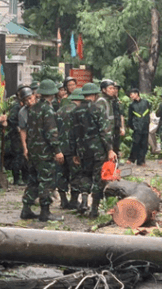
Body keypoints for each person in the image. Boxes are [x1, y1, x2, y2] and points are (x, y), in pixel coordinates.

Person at [70, 82, 116, 218]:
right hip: (98, 149)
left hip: (82, 150)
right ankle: (94, 209)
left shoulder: (75, 111)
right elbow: (105, 131)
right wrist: (110, 149)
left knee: (85, 175)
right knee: (98, 178)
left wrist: (74, 152)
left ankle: (84, 201)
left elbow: (72, 134)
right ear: (95, 94)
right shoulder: (97, 109)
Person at [21, 79, 63, 222]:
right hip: (44, 152)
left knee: (33, 180)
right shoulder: (48, 109)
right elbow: (51, 132)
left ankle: (26, 209)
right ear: (52, 93)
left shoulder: (33, 108)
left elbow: (30, 130)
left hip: (34, 151)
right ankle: (45, 212)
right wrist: (57, 150)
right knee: (46, 181)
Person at [56, 86, 81, 209]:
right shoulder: (79, 112)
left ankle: (63, 200)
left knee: (61, 174)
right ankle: (74, 200)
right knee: (75, 174)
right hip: (73, 149)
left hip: (60, 149)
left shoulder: (60, 110)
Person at [126, 89, 151, 166]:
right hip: (137, 127)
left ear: (137, 94)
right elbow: (130, 117)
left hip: (145, 126)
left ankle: (141, 161)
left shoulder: (146, 102)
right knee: (136, 143)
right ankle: (131, 158)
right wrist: (132, 126)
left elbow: (149, 113)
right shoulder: (132, 105)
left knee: (144, 144)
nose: (131, 96)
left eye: (132, 94)